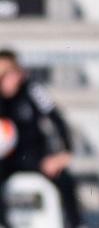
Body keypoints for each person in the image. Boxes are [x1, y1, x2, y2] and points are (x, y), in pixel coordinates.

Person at [0, 49, 85, 228]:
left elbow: (57, 118)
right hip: (6, 161)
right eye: (2, 74)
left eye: (10, 73)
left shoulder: (32, 89)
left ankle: (76, 224)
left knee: (64, 178)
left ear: (19, 72)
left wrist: (65, 152)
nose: (7, 79)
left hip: (35, 158)